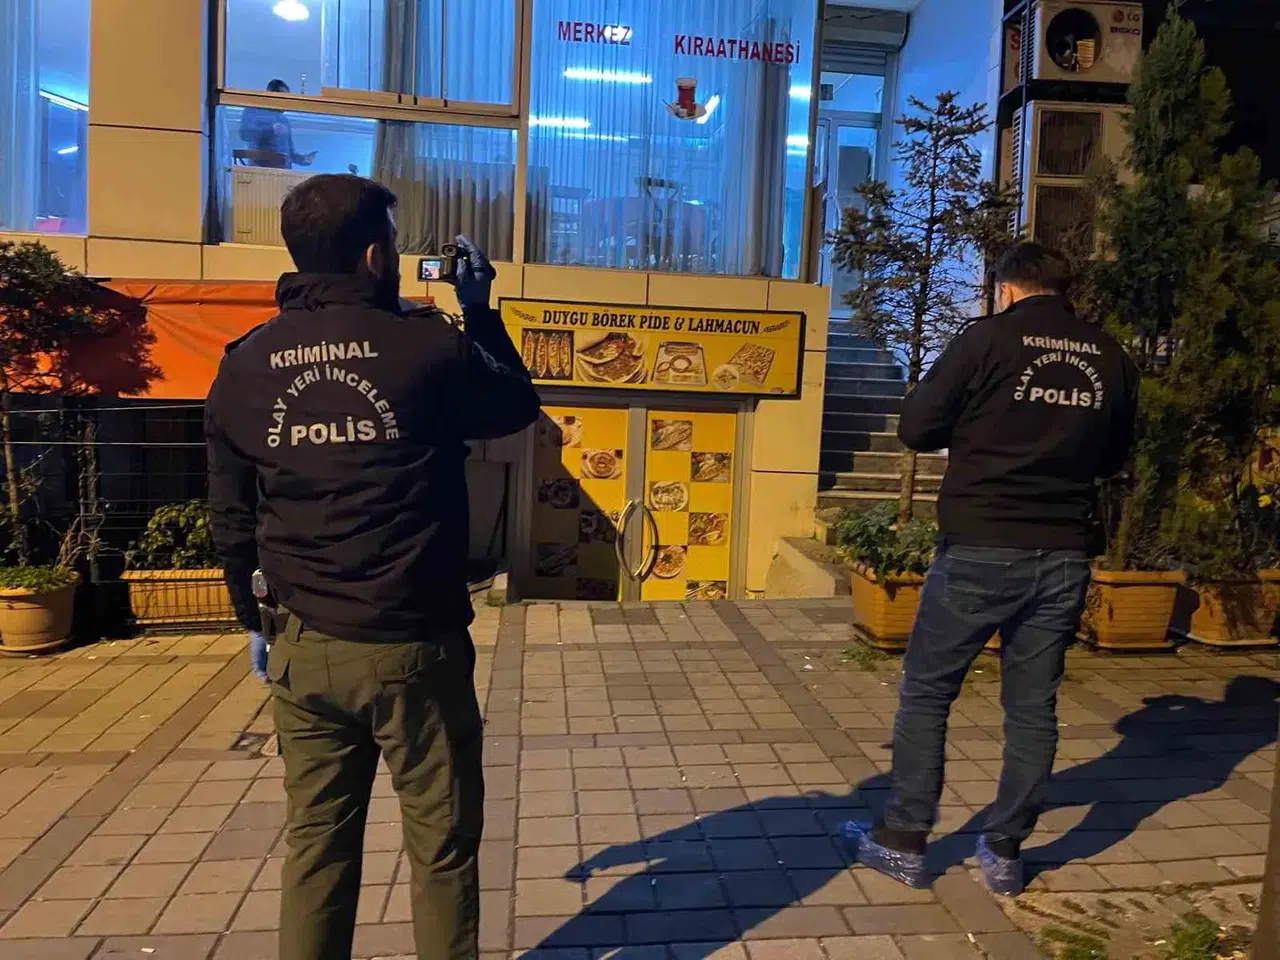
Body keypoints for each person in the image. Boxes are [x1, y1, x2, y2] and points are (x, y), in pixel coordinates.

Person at [205, 173, 541, 960]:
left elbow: (230, 517)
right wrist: (480, 310)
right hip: (414, 646)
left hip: (302, 644)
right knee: (442, 846)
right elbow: (514, 407)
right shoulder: (427, 345)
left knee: (317, 846)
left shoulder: (244, 363)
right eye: (391, 241)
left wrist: (254, 622)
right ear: (373, 255)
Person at [845, 241, 1139, 897]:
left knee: (928, 692)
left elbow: (917, 428)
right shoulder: (1110, 355)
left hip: (981, 543)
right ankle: (1005, 850)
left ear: (1005, 289)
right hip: (1064, 550)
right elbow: (1114, 455)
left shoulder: (986, 341)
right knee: (1032, 708)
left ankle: (904, 839)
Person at [238, 79, 316, 169]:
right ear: (272, 96)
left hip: (282, 172)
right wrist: (270, 129)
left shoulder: (284, 120)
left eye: (288, 100)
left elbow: (290, 153)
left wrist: (303, 159)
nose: (287, 104)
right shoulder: (252, 111)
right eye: (284, 99)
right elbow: (244, 135)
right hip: (260, 170)